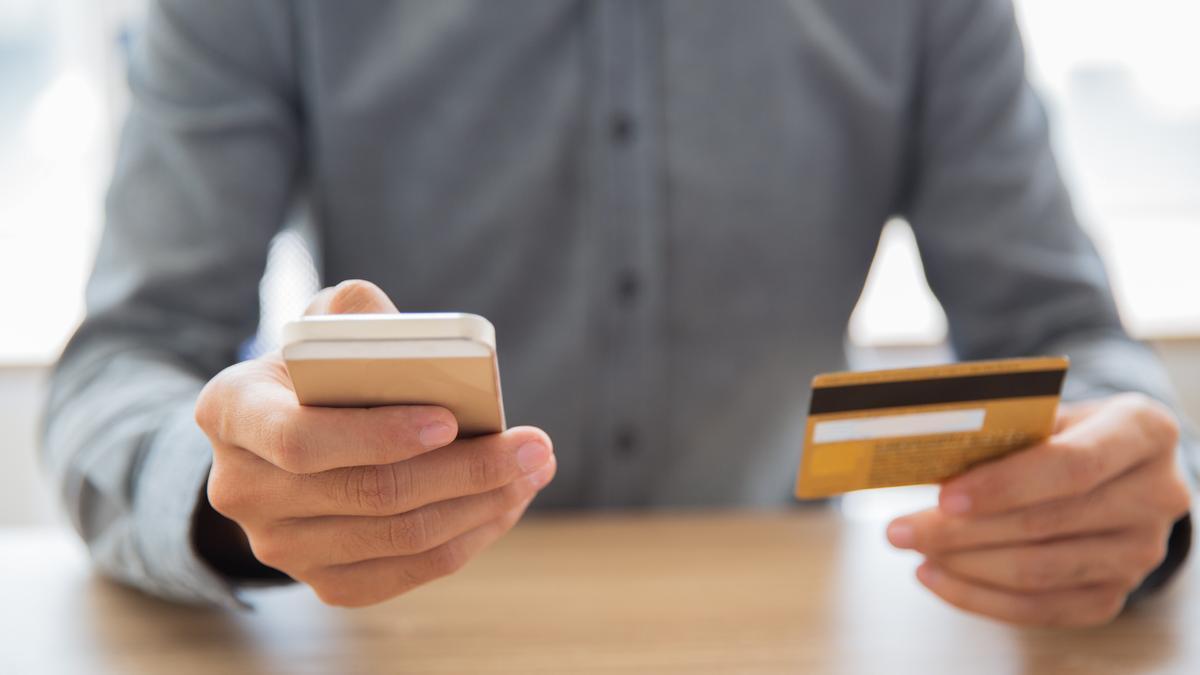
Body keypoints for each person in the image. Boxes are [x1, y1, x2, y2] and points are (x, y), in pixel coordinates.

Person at [44, 0, 1194, 626]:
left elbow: (1069, 341)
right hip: (410, 639)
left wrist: (1127, 492)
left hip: (787, 632)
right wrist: (226, 506)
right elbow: (124, 367)